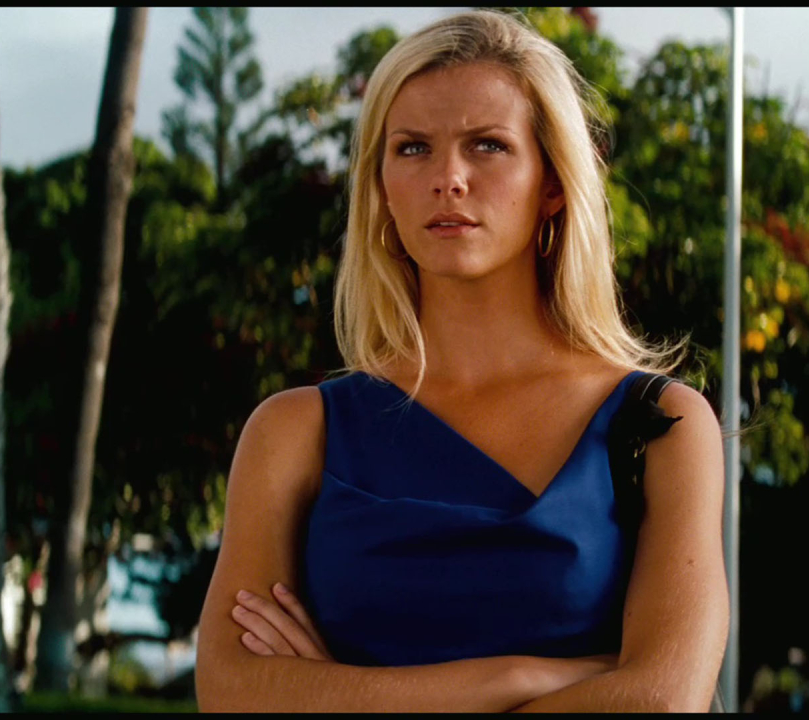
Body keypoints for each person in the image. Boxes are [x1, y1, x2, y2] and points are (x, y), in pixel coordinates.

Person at [194, 9, 729, 712]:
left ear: (552, 183)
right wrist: (520, 679)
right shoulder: (294, 433)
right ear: (381, 186)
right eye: (413, 148)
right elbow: (233, 692)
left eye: (488, 146)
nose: (448, 177)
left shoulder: (660, 427)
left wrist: (337, 696)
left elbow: (659, 703)